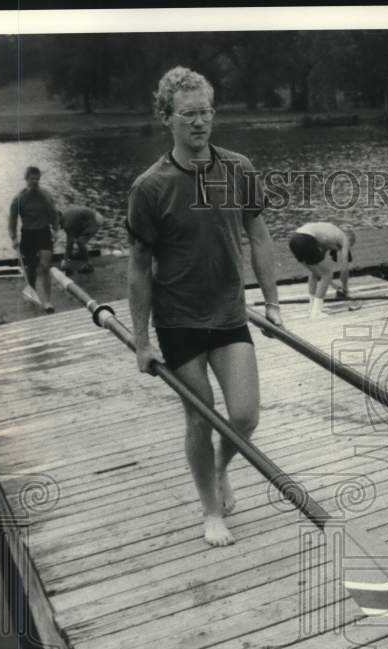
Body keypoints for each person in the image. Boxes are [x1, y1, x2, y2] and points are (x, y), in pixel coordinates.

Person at [127, 66, 282, 547]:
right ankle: (211, 511)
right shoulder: (149, 187)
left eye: (207, 112)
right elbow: (138, 267)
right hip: (179, 321)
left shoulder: (238, 168)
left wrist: (273, 304)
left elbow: (258, 235)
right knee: (200, 415)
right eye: (189, 114)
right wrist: (141, 340)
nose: (200, 122)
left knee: (244, 417)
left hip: (230, 313)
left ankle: (218, 468)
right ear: (167, 119)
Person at [8, 166, 57, 312]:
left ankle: (48, 301)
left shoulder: (46, 196)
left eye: (37, 179)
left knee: (45, 266)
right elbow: (12, 221)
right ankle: (33, 294)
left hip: (43, 232)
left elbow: (54, 215)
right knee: (30, 269)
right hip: (28, 234)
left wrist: (56, 230)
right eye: (31, 179)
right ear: (26, 179)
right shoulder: (18, 199)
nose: (34, 181)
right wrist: (14, 238)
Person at [288, 221, 356, 319]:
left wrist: (333, 285)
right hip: (306, 239)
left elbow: (319, 270)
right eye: (349, 246)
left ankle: (312, 308)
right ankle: (316, 312)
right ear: (349, 239)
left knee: (314, 272)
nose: (340, 250)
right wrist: (345, 289)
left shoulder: (327, 235)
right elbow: (344, 269)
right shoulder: (344, 238)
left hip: (294, 240)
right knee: (328, 274)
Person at [60, 206, 103, 273]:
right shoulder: (65, 217)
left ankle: (89, 264)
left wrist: (64, 261)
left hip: (95, 219)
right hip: (89, 219)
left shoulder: (68, 222)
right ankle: (81, 255)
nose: (60, 228)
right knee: (77, 239)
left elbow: (70, 242)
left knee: (80, 242)